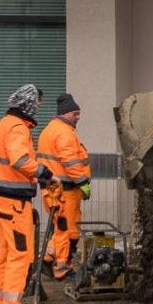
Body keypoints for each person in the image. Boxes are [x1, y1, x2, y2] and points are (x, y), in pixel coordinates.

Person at [0, 84, 57, 304]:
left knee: (5, 255)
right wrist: (45, 173)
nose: (38, 107)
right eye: (37, 102)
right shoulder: (16, 128)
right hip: (14, 204)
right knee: (20, 256)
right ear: (27, 103)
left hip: (1, 201)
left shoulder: (4, 124)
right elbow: (19, 160)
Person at [38, 93, 91, 281]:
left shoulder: (51, 130)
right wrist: (83, 182)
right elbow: (70, 161)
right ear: (65, 113)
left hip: (54, 189)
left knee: (60, 227)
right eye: (75, 113)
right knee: (67, 231)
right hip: (65, 190)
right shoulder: (64, 133)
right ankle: (62, 268)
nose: (78, 117)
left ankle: (46, 260)